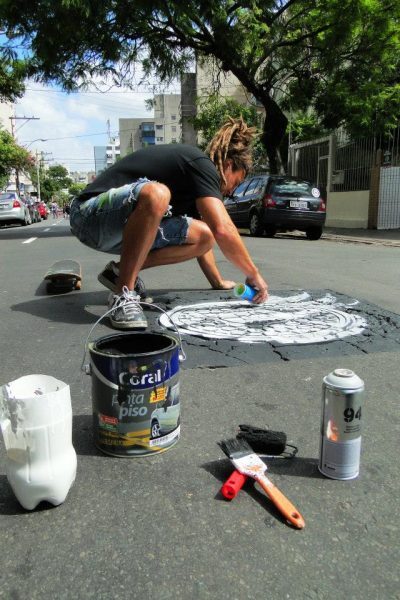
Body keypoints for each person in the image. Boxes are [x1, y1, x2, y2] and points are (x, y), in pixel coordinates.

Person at [70, 117, 268, 330]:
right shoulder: (202, 165)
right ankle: (123, 294)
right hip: (87, 216)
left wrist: (217, 282)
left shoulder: (195, 188)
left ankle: (118, 273)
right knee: (157, 193)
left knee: (203, 235)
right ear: (228, 165)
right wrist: (253, 273)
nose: (231, 191)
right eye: (236, 183)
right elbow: (223, 229)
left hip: (120, 230)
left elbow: (207, 238)